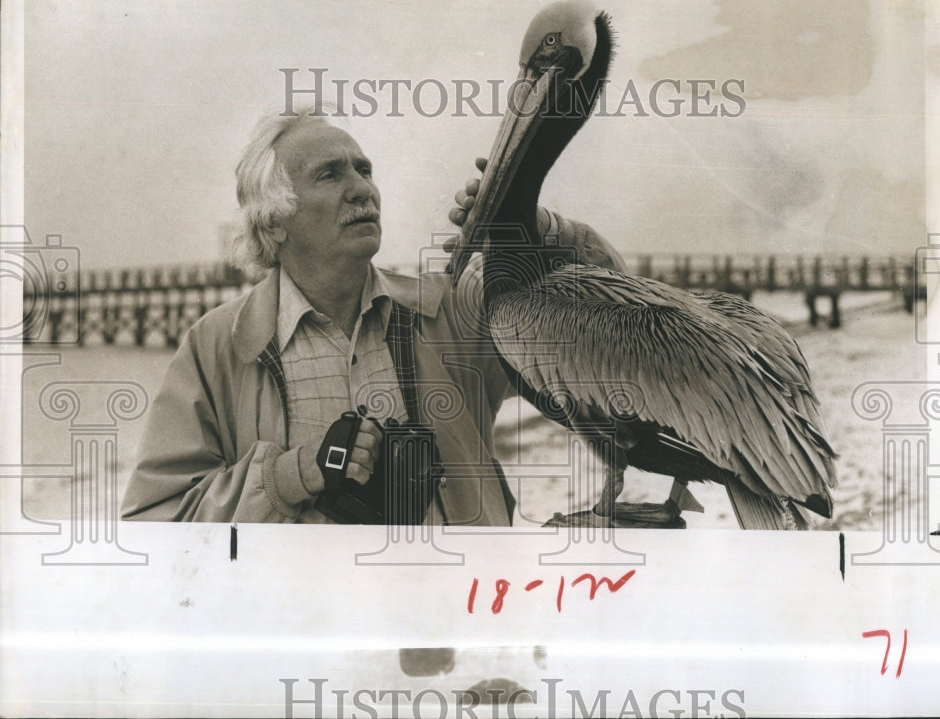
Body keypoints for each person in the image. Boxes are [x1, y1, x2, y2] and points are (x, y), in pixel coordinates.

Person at [121, 109, 626, 524]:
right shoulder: (219, 345)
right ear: (273, 222)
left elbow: (613, 331)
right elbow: (156, 521)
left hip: (452, 601)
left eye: (364, 170)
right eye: (330, 174)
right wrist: (295, 475)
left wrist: (531, 226)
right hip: (307, 611)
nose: (363, 188)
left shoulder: (451, 313)